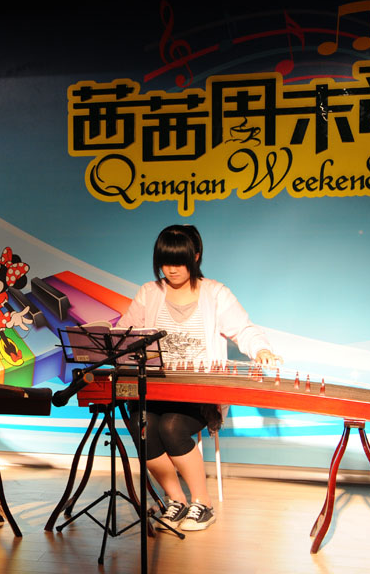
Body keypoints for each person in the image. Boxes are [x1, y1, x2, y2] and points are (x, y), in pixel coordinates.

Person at [117, 224, 280, 532]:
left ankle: (202, 503)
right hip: (155, 387)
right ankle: (175, 499)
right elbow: (125, 334)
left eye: (179, 261)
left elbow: (243, 329)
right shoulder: (150, 293)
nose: (171, 269)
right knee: (142, 425)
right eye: (165, 262)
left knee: (172, 426)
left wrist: (261, 350)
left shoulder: (215, 293)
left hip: (198, 391)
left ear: (195, 256)